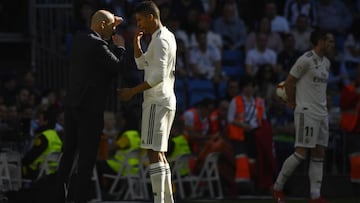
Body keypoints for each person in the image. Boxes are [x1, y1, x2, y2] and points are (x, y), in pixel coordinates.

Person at [54, 9, 126, 203]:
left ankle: (59, 196)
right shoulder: (98, 46)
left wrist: (111, 25)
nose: (113, 32)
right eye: (111, 28)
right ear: (102, 26)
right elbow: (117, 66)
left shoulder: (80, 38)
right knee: (86, 158)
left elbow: (101, 61)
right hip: (90, 110)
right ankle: (77, 199)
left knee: (68, 152)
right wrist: (120, 47)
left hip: (72, 106)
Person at [117, 1, 177, 203]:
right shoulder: (165, 36)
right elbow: (142, 64)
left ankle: (160, 201)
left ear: (151, 17)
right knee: (159, 153)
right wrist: (136, 43)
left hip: (156, 101)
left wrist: (132, 92)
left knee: (153, 152)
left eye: (140, 19)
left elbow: (157, 76)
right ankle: (167, 201)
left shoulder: (160, 41)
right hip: (166, 100)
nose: (138, 24)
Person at [271, 30, 335, 203]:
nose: (332, 44)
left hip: (322, 113)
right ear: (320, 41)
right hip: (306, 111)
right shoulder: (305, 59)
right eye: (329, 41)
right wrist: (292, 102)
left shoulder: (326, 63)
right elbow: (290, 81)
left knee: (319, 153)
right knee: (300, 153)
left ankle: (315, 196)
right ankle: (277, 187)